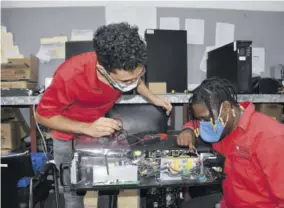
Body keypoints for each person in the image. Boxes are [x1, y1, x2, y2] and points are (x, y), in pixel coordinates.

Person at [36, 22, 172, 208]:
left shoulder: (126, 66)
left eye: (138, 74)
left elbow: (137, 81)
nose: (132, 83)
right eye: (125, 81)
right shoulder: (70, 75)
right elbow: (42, 116)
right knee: (72, 190)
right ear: (102, 70)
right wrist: (86, 127)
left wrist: (153, 98)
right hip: (67, 132)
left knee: (106, 181)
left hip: (99, 127)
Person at [178, 77, 284, 208]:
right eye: (200, 120)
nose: (203, 126)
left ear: (226, 108)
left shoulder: (271, 139)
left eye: (206, 119)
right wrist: (188, 129)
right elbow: (199, 124)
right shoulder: (224, 128)